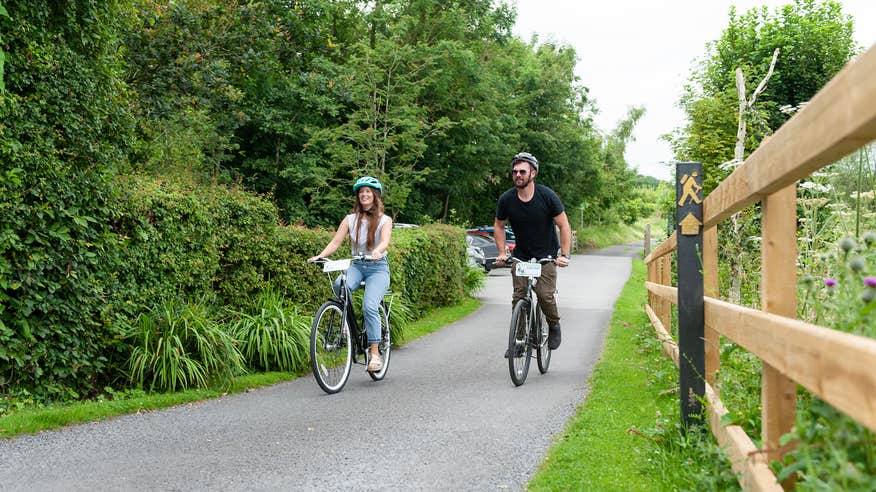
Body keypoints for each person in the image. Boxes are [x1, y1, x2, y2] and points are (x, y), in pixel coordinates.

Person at [308, 176, 393, 372]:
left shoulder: (384, 220)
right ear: (358, 196)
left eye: (368, 192)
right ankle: (347, 322)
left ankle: (374, 354)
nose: (364, 194)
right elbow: (335, 242)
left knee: (370, 306)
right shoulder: (350, 219)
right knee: (340, 285)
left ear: (375, 196)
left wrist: (378, 251)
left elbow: (385, 241)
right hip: (356, 265)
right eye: (361, 192)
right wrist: (320, 256)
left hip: (377, 267)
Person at [494, 152, 572, 354]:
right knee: (519, 298)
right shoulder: (507, 199)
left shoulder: (547, 196)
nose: (517, 175)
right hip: (521, 257)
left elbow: (563, 225)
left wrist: (565, 254)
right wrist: (502, 252)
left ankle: (554, 325)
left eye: (522, 171)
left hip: (546, 257)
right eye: (514, 172)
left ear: (533, 173)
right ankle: (518, 342)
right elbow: (499, 226)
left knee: (545, 296)